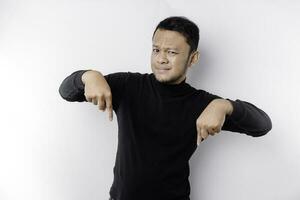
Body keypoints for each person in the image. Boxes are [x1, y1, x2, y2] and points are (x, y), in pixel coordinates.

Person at [58, 16, 272, 200]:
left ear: (193, 58)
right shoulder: (128, 86)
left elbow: (263, 125)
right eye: (156, 50)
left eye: (171, 52)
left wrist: (225, 105)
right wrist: (89, 76)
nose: (161, 59)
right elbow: (66, 91)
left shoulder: (201, 104)